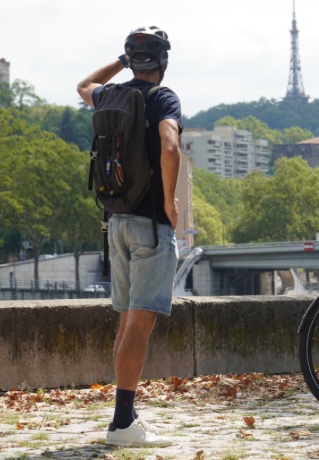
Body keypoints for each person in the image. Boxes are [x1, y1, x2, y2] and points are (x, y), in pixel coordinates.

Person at [76, 25, 183, 447]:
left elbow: (85, 84)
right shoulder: (163, 98)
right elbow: (170, 147)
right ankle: (122, 424)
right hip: (150, 226)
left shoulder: (111, 94)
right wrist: (171, 203)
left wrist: (121, 61)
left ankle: (127, 415)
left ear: (133, 60)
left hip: (115, 220)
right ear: (164, 62)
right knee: (140, 325)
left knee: (126, 322)